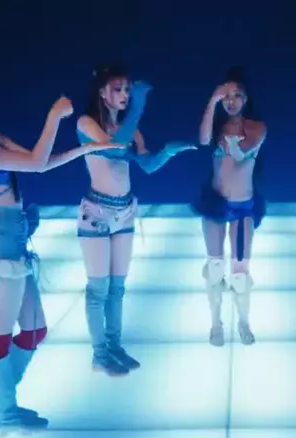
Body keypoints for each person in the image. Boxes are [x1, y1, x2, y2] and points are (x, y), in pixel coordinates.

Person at [0, 66, 123, 437]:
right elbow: (36, 163)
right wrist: (54, 116)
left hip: (15, 241)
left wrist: (89, 148)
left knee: (35, 330)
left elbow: (43, 162)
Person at [76, 63, 196, 375]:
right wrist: (139, 108)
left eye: (128, 90)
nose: (125, 95)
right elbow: (115, 151)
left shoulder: (132, 129)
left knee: (117, 288)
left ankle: (114, 346)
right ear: (102, 92)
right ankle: (99, 353)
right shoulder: (87, 123)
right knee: (98, 289)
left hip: (126, 211)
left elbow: (148, 166)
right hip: (96, 213)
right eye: (119, 89)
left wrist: (168, 152)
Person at [193, 67, 267, 347]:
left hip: (243, 207)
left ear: (246, 98)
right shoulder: (216, 128)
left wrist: (234, 145)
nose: (231, 101)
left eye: (236, 95)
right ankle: (216, 323)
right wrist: (212, 100)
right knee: (214, 268)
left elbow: (242, 152)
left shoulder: (256, 127)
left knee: (239, 272)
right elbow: (203, 140)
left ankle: (243, 321)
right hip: (215, 204)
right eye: (226, 96)